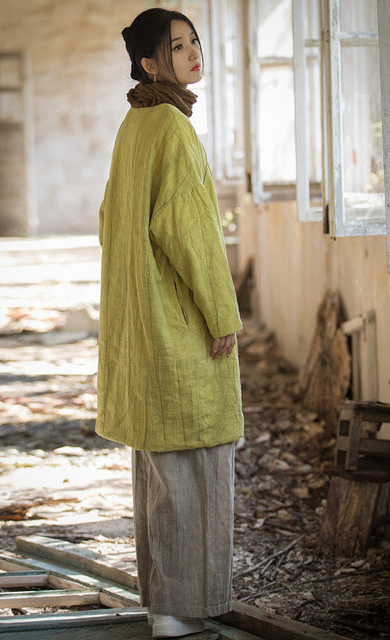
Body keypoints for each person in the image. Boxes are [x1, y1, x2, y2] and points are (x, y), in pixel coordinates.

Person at [95, 7, 244, 638]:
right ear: (150, 64)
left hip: (141, 327)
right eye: (175, 47)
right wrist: (221, 314)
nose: (191, 53)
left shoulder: (136, 125)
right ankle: (182, 614)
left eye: (194, 42)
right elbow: (194, 239)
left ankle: (163, 607)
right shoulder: (175, 133)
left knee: (160, 475)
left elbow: (109, 221)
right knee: (197, 467)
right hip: (178, 330)